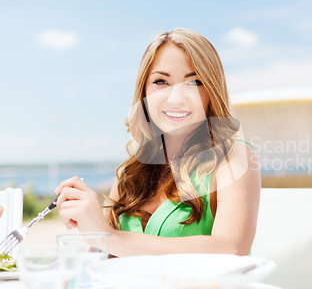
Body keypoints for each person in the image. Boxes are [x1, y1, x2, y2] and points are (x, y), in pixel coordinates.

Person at [55, 28, 261, 257]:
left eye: (194, 82)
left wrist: (109, 237)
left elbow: (231, 249)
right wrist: (87, 220)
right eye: (161, 81)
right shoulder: (129, 172)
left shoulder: (234, 159)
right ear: (144, 91)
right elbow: (102, 257)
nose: (176, 98)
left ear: (212, 91)